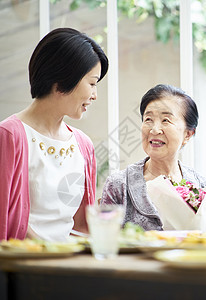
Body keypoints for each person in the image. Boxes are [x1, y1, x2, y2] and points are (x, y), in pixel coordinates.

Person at [0, 28, 108, 241]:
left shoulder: (83, 144)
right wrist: (51, 253)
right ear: (61, 81)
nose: (94, 95)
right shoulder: (10, 136)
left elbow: (82, 227)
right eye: (92, 83)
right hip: (25, 267)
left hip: (69, 265)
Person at [101, 84, 206, 232]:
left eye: (166, 120)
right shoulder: (119, 185)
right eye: (148, 119)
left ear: (188, 134)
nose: (154, 129)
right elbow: (104, 241)